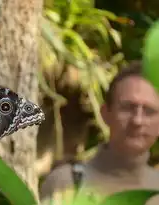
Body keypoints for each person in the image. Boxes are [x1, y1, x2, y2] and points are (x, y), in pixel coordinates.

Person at [39, 61, 159, 205]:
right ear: (105, 114)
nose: (137, 121)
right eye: (128, 108)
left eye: (149, 111)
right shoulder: (66, 184)